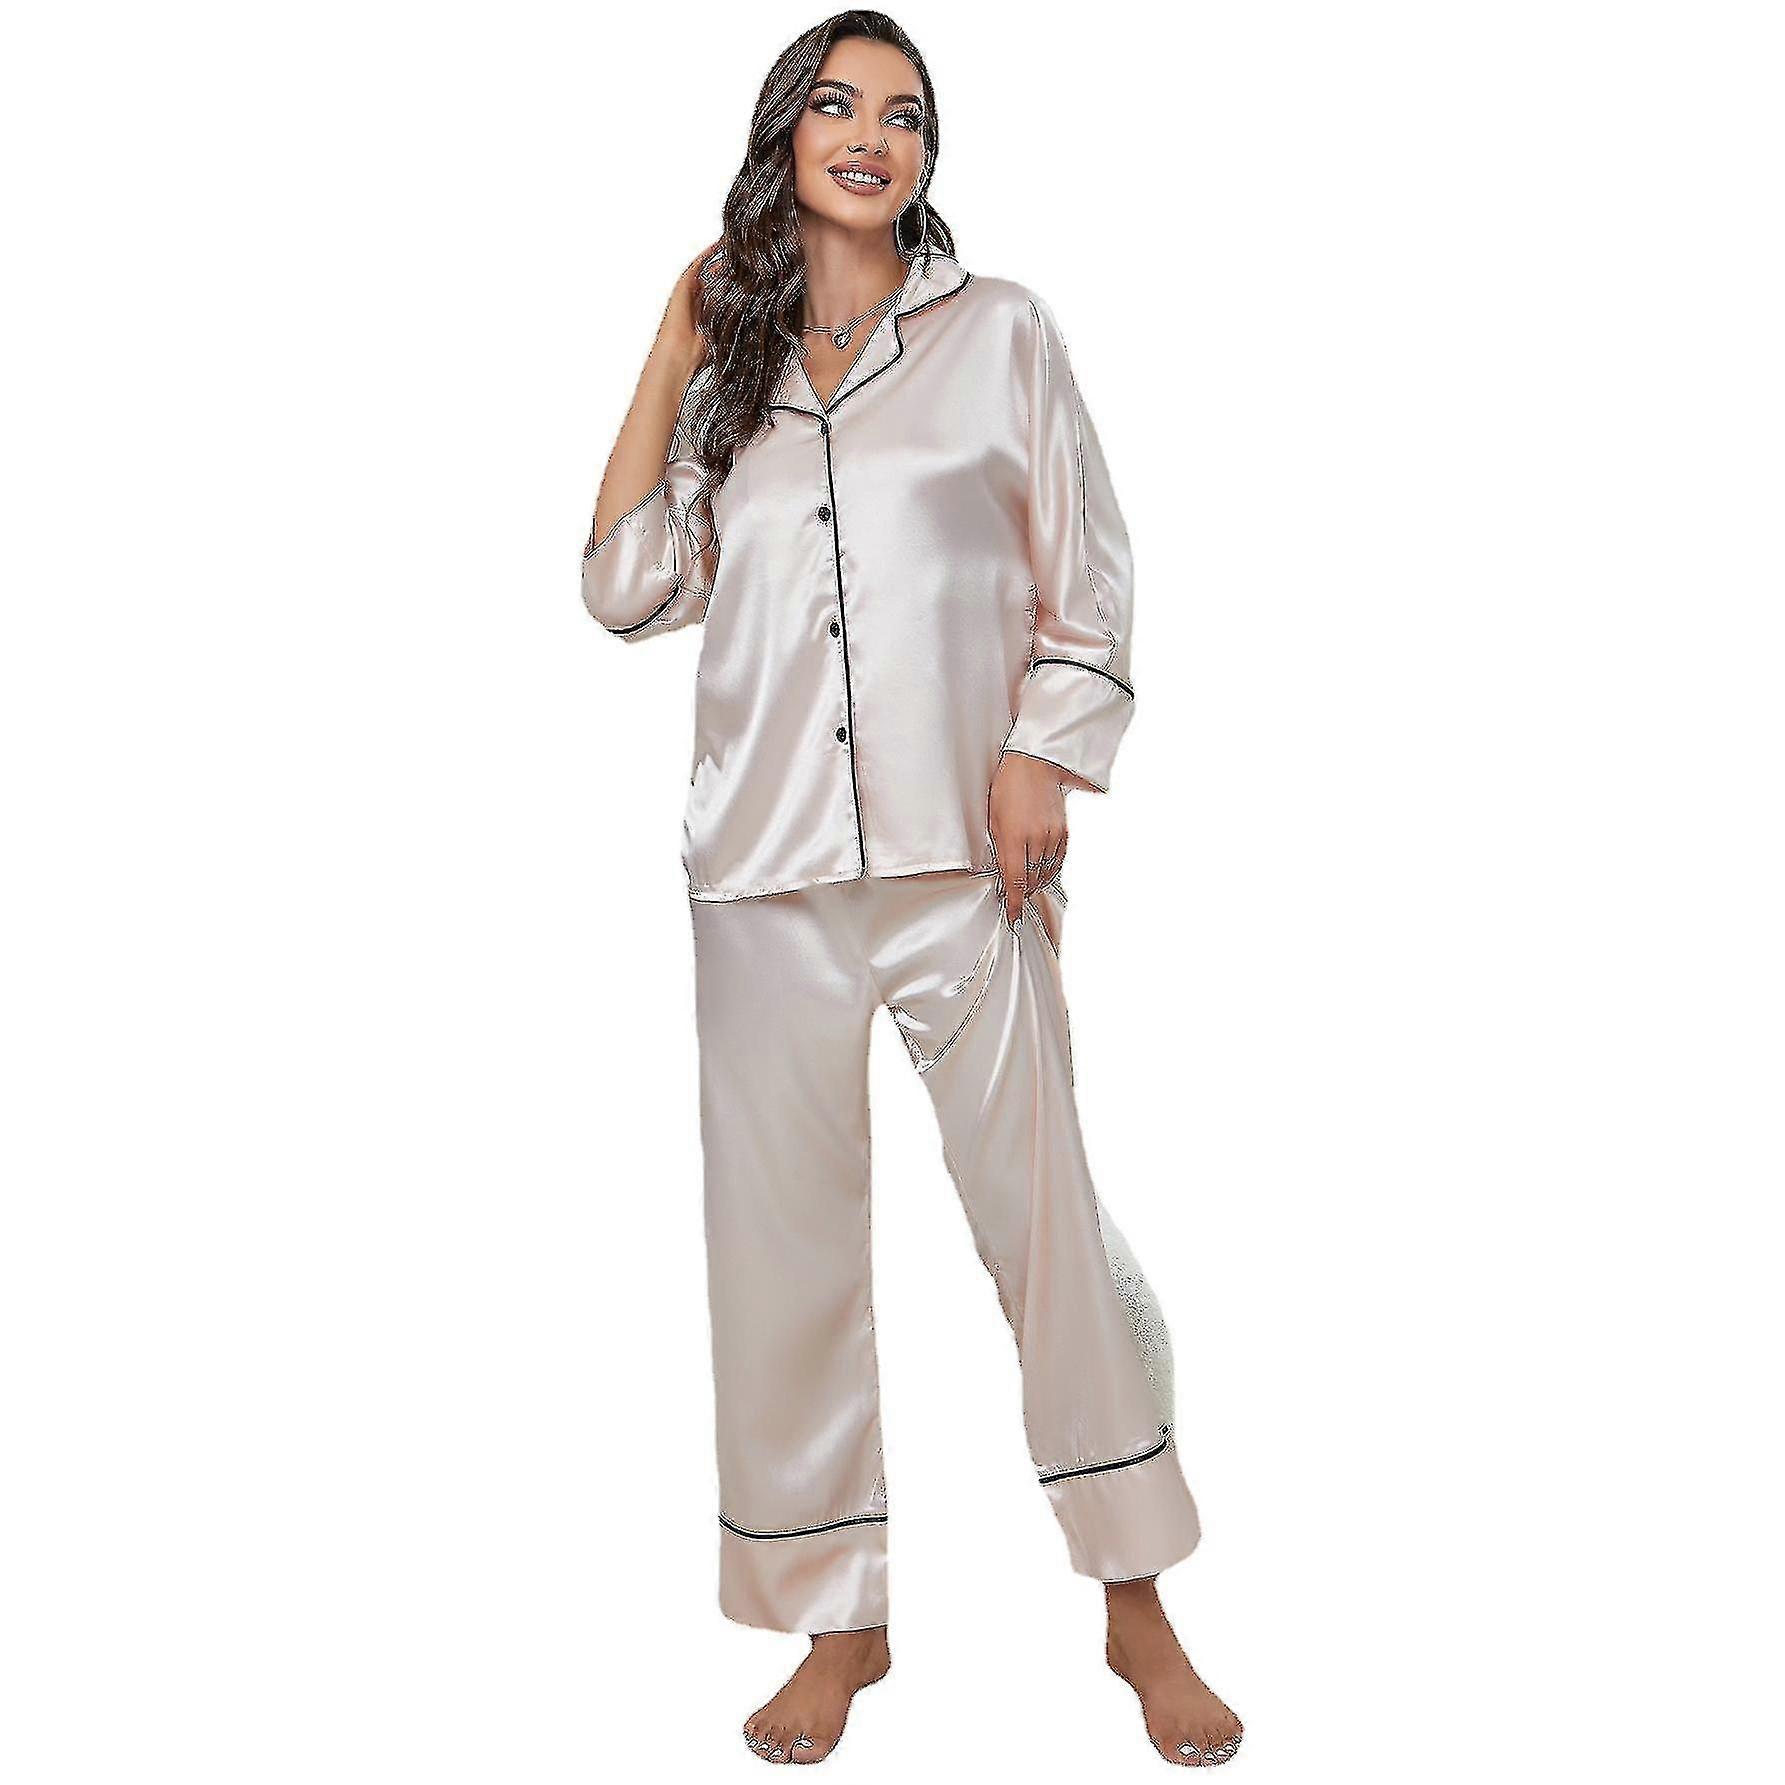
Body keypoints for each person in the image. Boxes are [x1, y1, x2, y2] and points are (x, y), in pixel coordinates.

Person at [578, 11, 1243, 1769]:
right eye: (836, 105)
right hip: (762, 864)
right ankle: (839, 1617)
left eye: (905, 114)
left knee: (1047, 1223)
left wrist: (1045, 751)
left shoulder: (999, 331)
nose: (872, 135)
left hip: (967, 852)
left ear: (929, 155)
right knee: (780, 1253)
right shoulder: (732, 379)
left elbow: (1088, 570)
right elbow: (627, 588)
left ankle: (1135, 1597)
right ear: (782, 137)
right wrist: (673, 335)